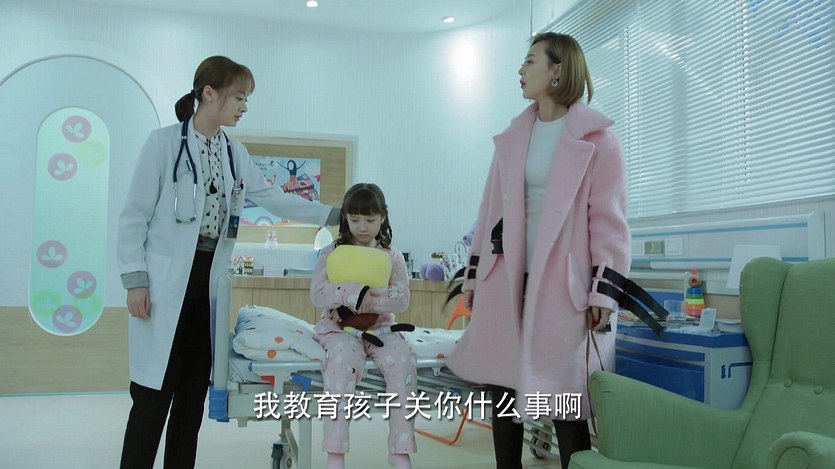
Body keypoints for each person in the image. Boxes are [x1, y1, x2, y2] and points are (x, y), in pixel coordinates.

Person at [117, 55, 340, 469]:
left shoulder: (235, 154)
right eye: (239, 97)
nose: (244, 107)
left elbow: (274, 198)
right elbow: (134, 216)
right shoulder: (163, 144)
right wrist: (135, 280)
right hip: (165, 284)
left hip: (209, 285)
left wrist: (333, 214)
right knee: (151, 400)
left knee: (190, 403)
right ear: (209, 93)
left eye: (246, 99)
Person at [446, 33, 631, 469]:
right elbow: (489, 211)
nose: (521, 70)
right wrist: (473, 277)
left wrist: (603, 293)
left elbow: (609, 223)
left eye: (530, 61)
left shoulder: (599, 141)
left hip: (564, 287)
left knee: (566, 399)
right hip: (505, 279)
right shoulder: (513, 138)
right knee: (503, 391)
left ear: (557, 70)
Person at [310, 183, 416, 469]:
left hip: (381, 329)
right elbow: (318, 293)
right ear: (346, 218)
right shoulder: (331, 252)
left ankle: (400, 449)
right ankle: (335, 452)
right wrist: (355, 293)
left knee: (403, 360)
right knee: (342, 361)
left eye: (370, 220)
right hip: (339, 330)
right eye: (355, 220)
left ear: (382, 218)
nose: (362, 227)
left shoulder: (391, 255)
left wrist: (372, 298)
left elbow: (402, 298)